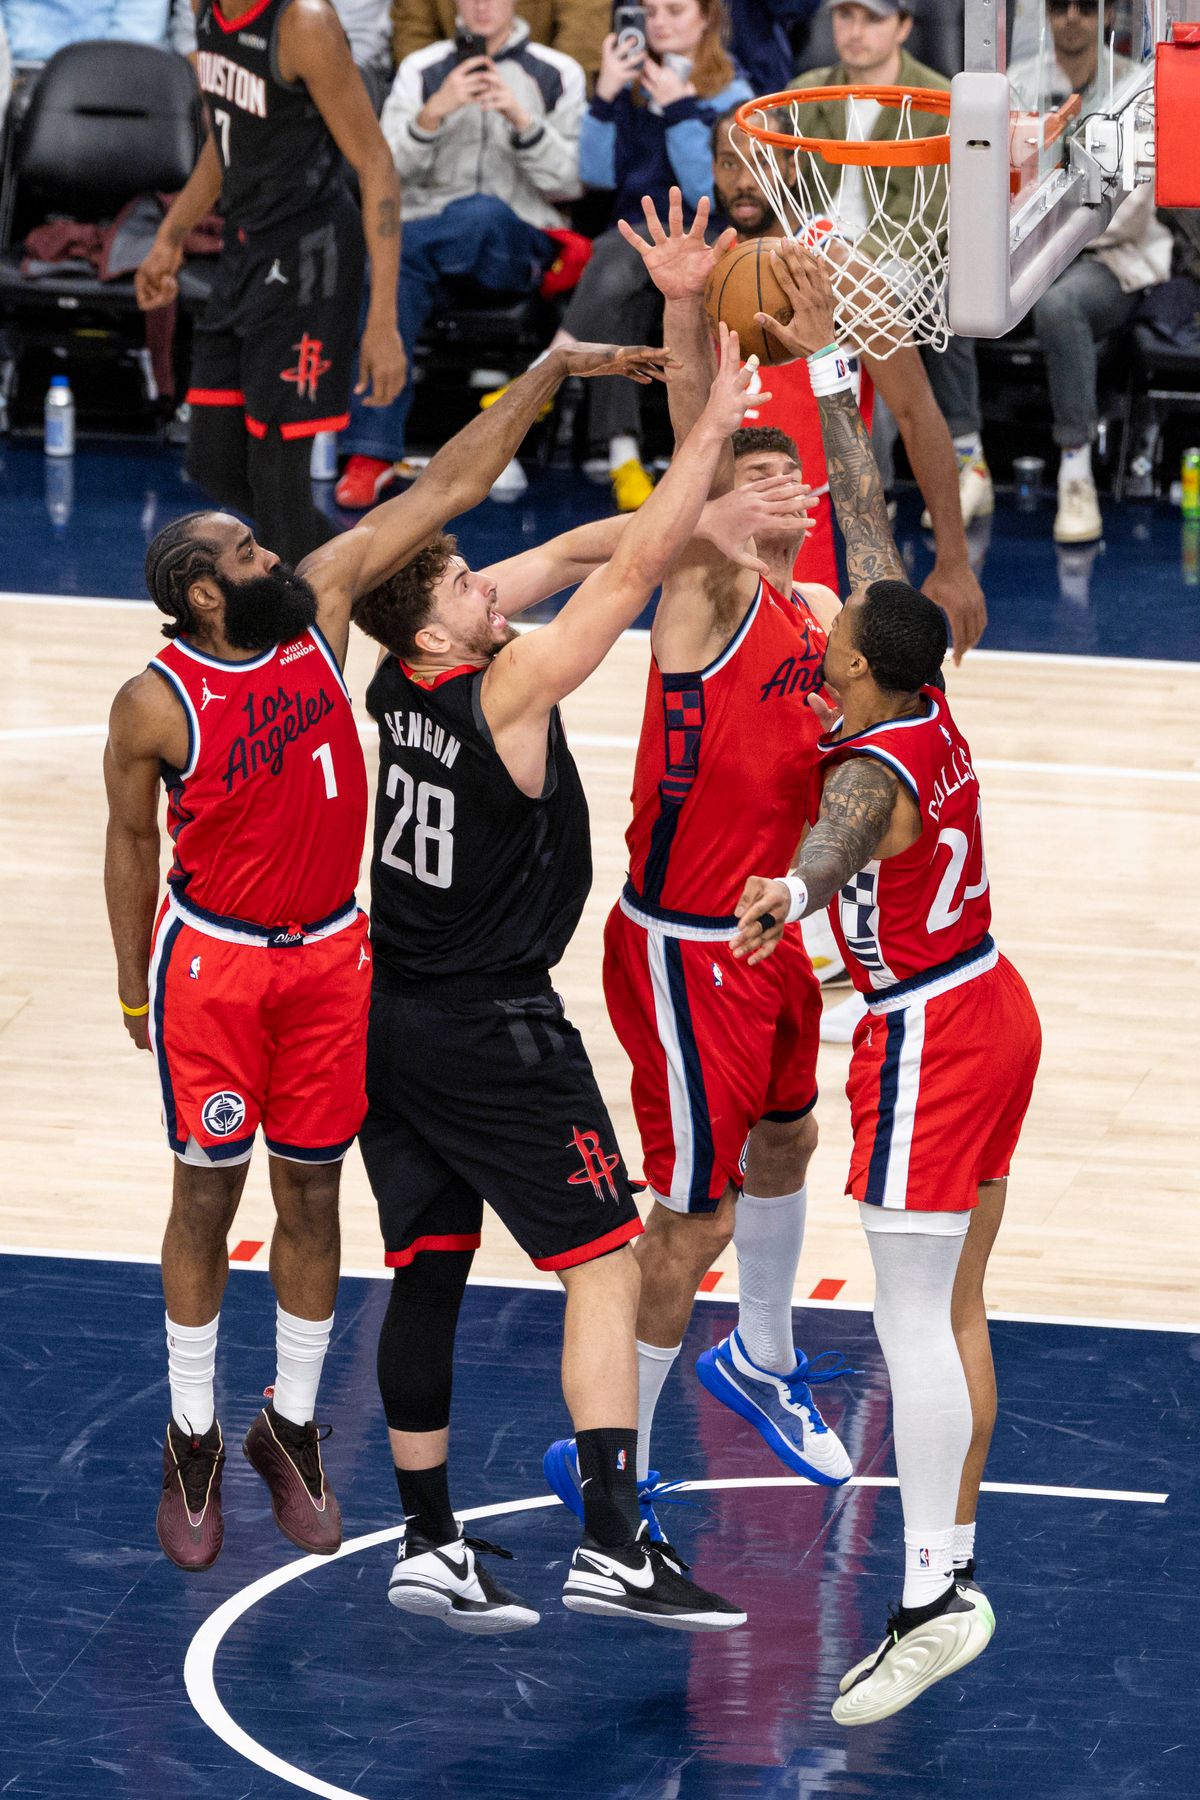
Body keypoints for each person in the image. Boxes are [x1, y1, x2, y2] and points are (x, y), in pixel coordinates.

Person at [103, 336, 668, 1573]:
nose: (271, 555)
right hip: (216, 967)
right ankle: (192, 1432)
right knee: (209, 1194)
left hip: (332, 967)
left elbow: (449, 488)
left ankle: (290, 1426)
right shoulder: (156, 700)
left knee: (313, 1193)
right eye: (244, 555)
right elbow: (129, 842)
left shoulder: (323, 610)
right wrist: (126, 978)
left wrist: (551, 372)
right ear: (204, 593)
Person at [351, 327, 779, 1633]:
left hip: (390, 1022)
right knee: (602, 1266)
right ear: (437, 616)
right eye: (468, 583)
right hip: (494, 1026)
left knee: (428, 1264)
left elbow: (575, 556)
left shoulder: (396, 677)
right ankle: (611, 1541)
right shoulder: (513, 691)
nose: (495, 591)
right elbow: (629, 572)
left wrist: (689, 493)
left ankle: (428, 1542)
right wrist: (710, 441)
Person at [730, 243, 1041, 1725]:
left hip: (930, 1037)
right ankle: (954, 1556)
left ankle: (930, 1596)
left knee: (909, 1323)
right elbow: (867, 515)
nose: (830, 624)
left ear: (854, 670)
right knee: (957, 1308)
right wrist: (833, 364)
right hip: (998, 1003)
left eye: (834, 637)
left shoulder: (871, 768)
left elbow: (844, 840)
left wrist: (785, 892)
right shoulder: (914, 681)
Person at [536, 195, 858, 1535]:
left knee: (795, 1132)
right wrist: (681, 314)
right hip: (682, 950)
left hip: (769, 938)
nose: (779, 493)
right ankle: (620, 1463)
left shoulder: (820, 608)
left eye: (794, 479)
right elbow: (699, 450)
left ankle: (768, 1358)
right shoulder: (704, 594)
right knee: (689, 1225)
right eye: (753, 481)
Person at [135, 0, 407, 568]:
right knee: (211, 461)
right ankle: (377, 572)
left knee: (277, 474)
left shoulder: (304, 21)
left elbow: (376, 163)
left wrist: (382, 320)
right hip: (244, 251)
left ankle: (298, 642)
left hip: (309, 264)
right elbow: (226, 139)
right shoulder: (204, 10)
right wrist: (171, 233)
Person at [710, 122, 987, 655]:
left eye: (759, 164)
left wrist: (953, 562)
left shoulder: (838, 268)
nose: (743, 181)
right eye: (728, 163)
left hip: (812, 522)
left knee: (822, 694)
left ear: (791, 168)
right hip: (720, 517)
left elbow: (915, 410)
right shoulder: (710, 264)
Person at [334, 0, 585, 509]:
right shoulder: (421, 69)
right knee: (396, 263)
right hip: (432, 251)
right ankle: (371, 454)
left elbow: (571, 183)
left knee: (476, 215)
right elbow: (383, 175)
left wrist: (520, 118)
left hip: (515, 245)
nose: (481, 5)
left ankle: (368, 445)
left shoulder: (557, 72)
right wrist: (432, 115)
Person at [527, 0, 752, 509]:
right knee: (618, 282)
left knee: (617, 263)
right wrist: (604, 96)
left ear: (707, 18)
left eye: (675, 10)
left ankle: (545, 375)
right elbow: (596, 176)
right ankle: (625, 456)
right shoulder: (629, 85)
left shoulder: (732, 93)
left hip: (699, 241)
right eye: (650, 11)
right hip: (631, 240)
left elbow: (707, 189)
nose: (660, 22)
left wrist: (679, 109)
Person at [793, 0, 995, 528]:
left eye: (872, 18)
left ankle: (909, 480)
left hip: (903, 256)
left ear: (905, 26)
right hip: (817, 251)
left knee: (873, 321)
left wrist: (851, 271)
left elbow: (928, 218)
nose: (854, 31)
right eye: (844, 16)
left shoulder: (939, 100)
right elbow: (790, 196)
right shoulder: (807, 91)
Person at [1010, 2, 1172, 543]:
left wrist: (1041, 229)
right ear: (1046, 15)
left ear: (1107, 15)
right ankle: (966, 459)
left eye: (1085, 5)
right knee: (950, 295)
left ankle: (1075, 471)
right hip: (1029, 250)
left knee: (1060, 304)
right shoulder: (1017, 84)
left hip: (1110, 256)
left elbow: (1128, 211)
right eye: (1059, 6)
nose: (1072, 17)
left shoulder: (1137, 87)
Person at [392, 0, 611, 87]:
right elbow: (413, 31)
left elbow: (581, 41)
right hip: (449, 85)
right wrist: (437, 91)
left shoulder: (561, 73)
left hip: (540, 89)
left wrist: (540, 90)